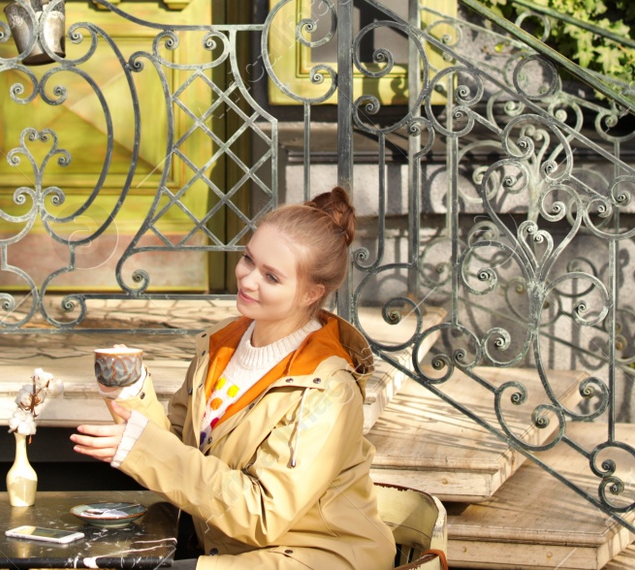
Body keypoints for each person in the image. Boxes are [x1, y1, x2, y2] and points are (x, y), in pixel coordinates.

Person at [72, 187, 395, 570]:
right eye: (248, 259)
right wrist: (129, 391)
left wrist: (144, 449)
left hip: (315, 556)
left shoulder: (328, 388)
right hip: (229, 552)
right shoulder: (221, 343)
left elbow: (263, 514)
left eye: (271, 277)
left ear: (312, 293)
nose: (247, 279)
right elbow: (180, 449)